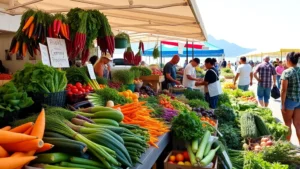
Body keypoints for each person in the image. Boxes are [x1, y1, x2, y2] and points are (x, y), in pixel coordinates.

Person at [280, 52, 300, 142]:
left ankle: (287, 146)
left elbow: (283, 90)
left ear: (288, 60)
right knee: (298, 125)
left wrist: (282, 103)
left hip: (289, 101)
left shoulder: (287, 72)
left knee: (287, 124)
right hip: (299, 100)